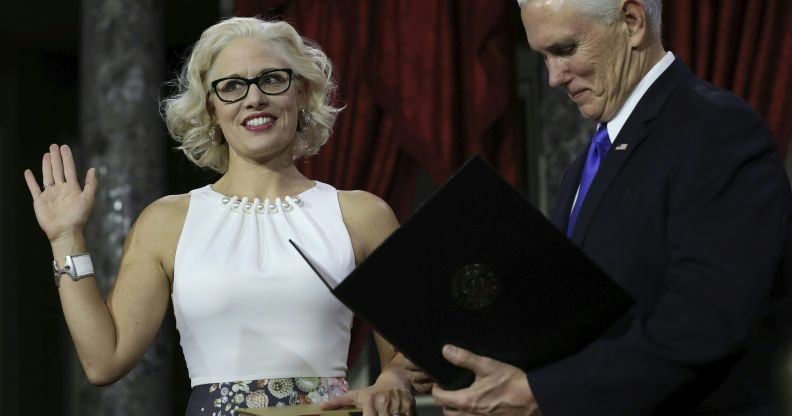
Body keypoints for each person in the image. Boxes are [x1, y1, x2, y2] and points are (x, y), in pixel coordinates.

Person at [405, 0, 792, 414]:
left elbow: (705, 322)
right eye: (544, 57)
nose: (553, 77)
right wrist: (473, 359)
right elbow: (578, 324)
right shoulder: (586, 166)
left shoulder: (718, 131)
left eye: (565, 49)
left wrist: (539, 395)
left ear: (632, 21)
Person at [24, 17, 415, 416]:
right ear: (210, 109)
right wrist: (65, 237)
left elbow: (407, 355)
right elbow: (103, 361)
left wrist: (393, 380)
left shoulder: (362, 215)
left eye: (272, 79)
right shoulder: (166, 222)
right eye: (232, 87)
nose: (254, 98)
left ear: (301, 93)